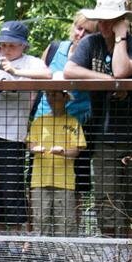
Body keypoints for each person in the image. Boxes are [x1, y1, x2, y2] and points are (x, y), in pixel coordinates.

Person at [63, 0, 132, 237]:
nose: (103, 26)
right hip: (103, 134)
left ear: (121, 21)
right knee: (106, 195)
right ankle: (112, 253)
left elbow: (122, 70)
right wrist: (109, 82)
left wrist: (121, 37)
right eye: (100, 20)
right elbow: (69, 69)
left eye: (109, 21)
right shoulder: (90, 43)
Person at [0, 20, 48, 231]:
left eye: (12, 45)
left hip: (13, 136)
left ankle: (15, 241)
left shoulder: (30, 62)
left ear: (23, 45)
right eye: (3, 44)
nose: (6, 49)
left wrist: (14, 72)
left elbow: (48, 76)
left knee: (10, 188)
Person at [34, 11, 98, 222]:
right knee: (37, 179)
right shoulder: (54, 49)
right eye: (79, 28)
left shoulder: (93, 57)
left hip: (76, 125)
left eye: (88, 31)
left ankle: (71, 234)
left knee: (75, 182)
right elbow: (38, 77)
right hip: (44, 121)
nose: (81, 34)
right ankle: (33, 238)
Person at [26, 90, 85, 236]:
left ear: (65, 97)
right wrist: (35, 149)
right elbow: (30, 144)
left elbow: (77, 150)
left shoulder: (73, 122)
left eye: (55, 94)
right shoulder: (38, 121)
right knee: (40, 221)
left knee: (65, 224)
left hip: (65, 182)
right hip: (40, 180)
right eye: (49, 95)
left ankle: (65, 257)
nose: (52, 98)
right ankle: (41, 257)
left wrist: (63, 152)